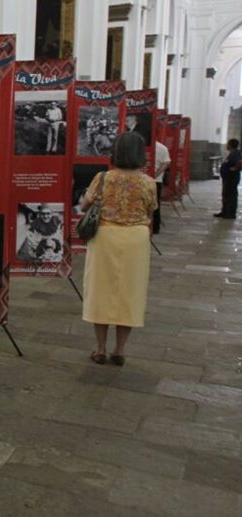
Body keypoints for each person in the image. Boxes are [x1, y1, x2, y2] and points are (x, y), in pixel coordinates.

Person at [80, 131, 158, 366]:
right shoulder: (149, 182)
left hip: (105, 235)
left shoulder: (103, 178)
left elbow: (85, 206)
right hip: (136, 238)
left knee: (100, 289)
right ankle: (119, 350)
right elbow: (150, 211)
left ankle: (100, 348)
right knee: (130, 292)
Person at [214, 138, 241, 219]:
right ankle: (224, 211)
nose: (227, 145)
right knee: (226, 194)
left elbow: (239, 163)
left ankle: (231, 213)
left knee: (231, 195)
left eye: (228, 144)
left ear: (231, 145)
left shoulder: (236, 153)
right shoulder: (232, 153)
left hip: (232, 178)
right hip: (228, 178)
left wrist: (235, 169)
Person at [153, 138, 170, 233]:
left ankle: (154, 226)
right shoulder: (162, 147)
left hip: (147, 179)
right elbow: (166, 163)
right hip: (156, 180)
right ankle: (156, 227)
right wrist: (155, 174)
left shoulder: (139, 146)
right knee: (156, 204)